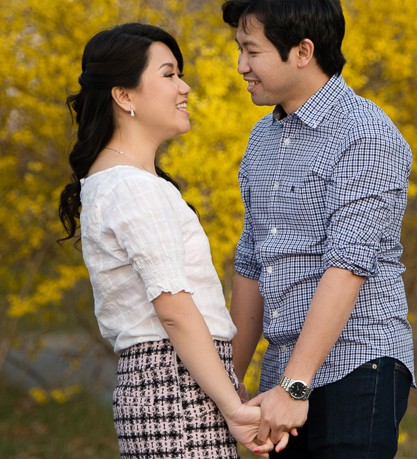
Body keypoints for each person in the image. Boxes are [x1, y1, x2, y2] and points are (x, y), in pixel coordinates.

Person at [58, 23, 285, 459]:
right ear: (124, 96)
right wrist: (232, 406)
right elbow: (176, 311)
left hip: (172, 384)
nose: (184, 87)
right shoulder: (132, 187)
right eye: (168, 75)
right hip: (176, 388)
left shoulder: (119, 182)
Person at [223, 0, 415, 458]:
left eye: (252, 51)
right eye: (240, 51)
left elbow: (346, 266)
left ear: (303, 51)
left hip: (357, 365)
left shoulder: (366, 134)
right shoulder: (262, 140)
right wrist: (228, 386)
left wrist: (296, 387)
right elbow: (251, 264)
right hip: (285, 374)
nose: (242, 66)